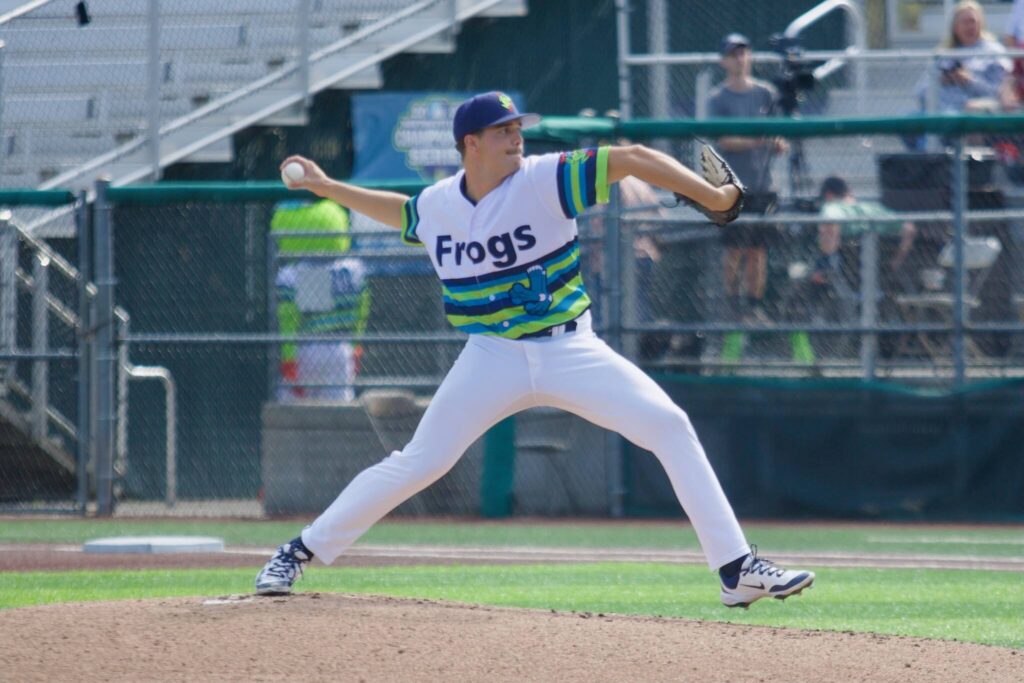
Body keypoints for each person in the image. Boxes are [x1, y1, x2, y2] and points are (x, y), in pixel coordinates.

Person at [255, 91, 814, 609]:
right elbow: (401, 214)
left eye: (517, 126)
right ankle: (298, 551)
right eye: (502, 129)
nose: (516, 136)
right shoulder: (440, 204)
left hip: (571, 349)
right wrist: (326, 187)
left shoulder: (545, 178)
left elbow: (634, 157)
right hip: (491, 356)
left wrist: (713, 195)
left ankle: (736, 570)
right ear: (470, 144)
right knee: (420, 462)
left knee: (668, 425)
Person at [706, 33, 795, 363]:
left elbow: (777, 133)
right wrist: (760, 140)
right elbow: (726, 141)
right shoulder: (718, 99)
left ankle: (754, 308)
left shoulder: (766, 93)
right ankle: (733, 307)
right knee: (735, 250)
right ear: (723, 61)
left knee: (759, 250)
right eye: (733, 54)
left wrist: (778, 143)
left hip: (763, 185)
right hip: (731, 187)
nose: (740, 59)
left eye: (744, 52)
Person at [789, 176, 917, 360]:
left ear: (828, 195)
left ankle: (806, 355)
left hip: (846, 278)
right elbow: (909, 229)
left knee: (797, 283)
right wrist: (895, 263)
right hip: (880, 278)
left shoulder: (832, 207)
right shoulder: (873, 209)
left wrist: (825, 261)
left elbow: (830, 227)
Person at [271, 199, 370, 402]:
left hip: (307, 348)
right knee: (339, 411)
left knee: (291, 408)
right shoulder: (354, 269)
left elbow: (289, 321)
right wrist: (356, 344)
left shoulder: (293, 274)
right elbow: (362, 310)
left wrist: (289, 358)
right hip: (342, 349)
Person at [915, 1, 1013, 116]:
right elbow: (921, 91)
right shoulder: (944, 54)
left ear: (981, 24)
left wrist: (969, 81)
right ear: (955, 27)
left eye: (972, 22)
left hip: (978, 113)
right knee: (911, 119)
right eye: (964, 22)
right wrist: (941, 81)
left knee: (972, 111)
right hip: (943, 112)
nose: (969, 27)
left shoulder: (994, 52)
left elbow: (1001, 93)